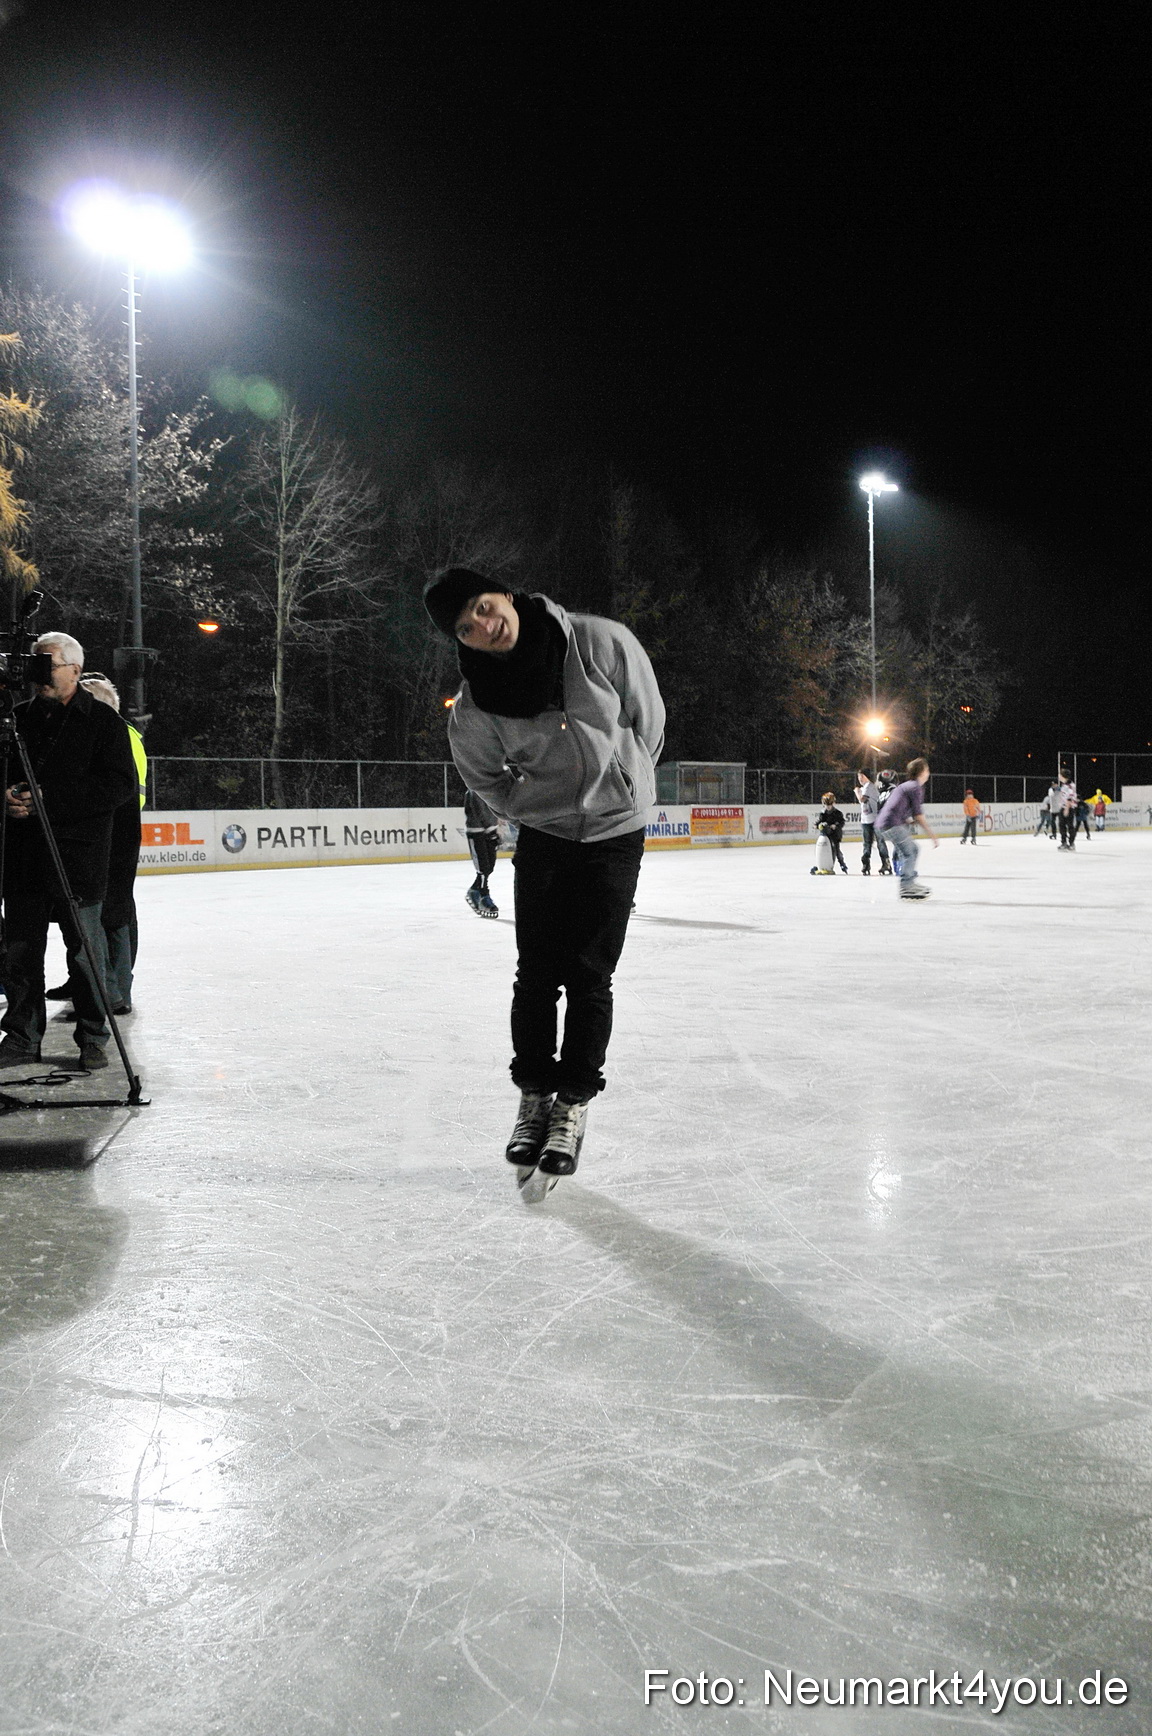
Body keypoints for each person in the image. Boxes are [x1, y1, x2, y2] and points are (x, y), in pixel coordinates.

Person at [423, 567, 664, 1201]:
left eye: (482, 606)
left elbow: (648, 718)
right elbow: (480, 771)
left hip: (615, 831)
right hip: (546, 836)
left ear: (503, 593)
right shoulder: (478, 702)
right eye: (464, 626)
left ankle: (572, 1104)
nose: (482, 625)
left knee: (590, 973)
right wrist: (531, 808)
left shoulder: (599, 642)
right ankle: (534, 1097)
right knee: (536, 973)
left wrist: (625, 782)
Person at [0, 632, 137, 1071]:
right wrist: (8, 799)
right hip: (22, 858)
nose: (39, 674)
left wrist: (47, 800)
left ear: (75, 670)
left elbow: (118, 785)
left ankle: (93, 1036)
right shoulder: (15, 719)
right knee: (20, 952)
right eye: (35, 664)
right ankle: (22, 1037)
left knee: (84, 955)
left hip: (78, 859)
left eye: (49, 664)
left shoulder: (104, 722)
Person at [45, 675, 145, 1014]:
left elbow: (123, 788)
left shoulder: (117, 734)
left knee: (112, 915)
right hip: (111, 832)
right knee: (103, 916)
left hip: (115, 834)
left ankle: (112, 991)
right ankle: (97, 987)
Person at [875, 756, 939, 900]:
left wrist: (907, 819)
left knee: (912, 850)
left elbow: (897, 806)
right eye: (927, 769)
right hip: (890, 824)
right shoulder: (916, 787)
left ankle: (909, 883)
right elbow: (919, 815)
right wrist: (932, 835)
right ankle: (907, 885)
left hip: (885, 824)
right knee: (910, 852)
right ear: (922, 771)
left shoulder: (907, 785)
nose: (929, 772)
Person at [463, 788, 500, 917]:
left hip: (490, 829)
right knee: (483, 867)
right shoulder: (474, 789)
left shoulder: (494, 785)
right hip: (476, 831)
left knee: (490, 867)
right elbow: (477, 811)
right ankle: (484, 895)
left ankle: (474, 890)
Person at [854, 767, 890, 876]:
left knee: (879, 842)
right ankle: (866, 863)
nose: (859, 778)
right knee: (867, 843)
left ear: (866, 776)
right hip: (866, 820)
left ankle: (886, 863)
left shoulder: (869, 786)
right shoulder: (865, 787)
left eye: (861, 776)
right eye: (858, 777)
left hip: (875, 820)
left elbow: (862, 799)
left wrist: (857, 792)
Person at [816, 792, 848, 873]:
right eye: (826, 804)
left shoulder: (837, 813)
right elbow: (819, 821)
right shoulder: (822, 813)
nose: (828, 806)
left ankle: (842, 863)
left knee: (836, 850)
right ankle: (822, 864)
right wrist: (817, 825)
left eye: (829, 804)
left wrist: (835, 825)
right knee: (823, 849)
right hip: (826, 835)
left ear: (833, 803)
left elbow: (842, 822)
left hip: (835, 835)